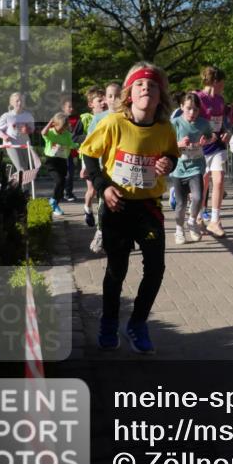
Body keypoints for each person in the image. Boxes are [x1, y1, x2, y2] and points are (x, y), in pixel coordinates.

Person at [79, 62, 179, 354]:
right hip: (117, 205)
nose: (145, 88)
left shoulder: (164, 128)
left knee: (156, 268)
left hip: (148, 207)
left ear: (160, 96)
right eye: (139, 85)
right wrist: (103, 186)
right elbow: (88, 153)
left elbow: (172, 153)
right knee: (117, 269)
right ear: (129, 95)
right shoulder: (113, 123)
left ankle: (137, 323)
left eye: (152, 85)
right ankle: (109, 322)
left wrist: (168, 163)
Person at [169, 93, 213, 245]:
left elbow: (211, 136)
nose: (192, 113)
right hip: (178, 169)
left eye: (195, 109)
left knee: (198, 197)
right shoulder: (175, 123)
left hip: (196, 167)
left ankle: (192, 221)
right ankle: (179, 229)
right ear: (181, 107)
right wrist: (179, 145)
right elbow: (165, 145)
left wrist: (206, 140)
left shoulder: (203, 123)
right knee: (181, 204)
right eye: (188, 108)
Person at [84, 81, 122, 255]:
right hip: (103, 169)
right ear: (106, 99)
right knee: (103, 203)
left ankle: (122, 235)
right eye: (110, 96)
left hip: (123, 169)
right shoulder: (100, 118)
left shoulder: (128, 116)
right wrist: (87, 166)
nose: (113, 100)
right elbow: (89, 145)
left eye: (117, 95)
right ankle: (100, 232)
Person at [195, 66, 231, 238]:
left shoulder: (220, 100)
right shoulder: (197, 98)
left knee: (219, 179)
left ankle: (215, 221)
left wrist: (225, 131)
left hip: (217, 146)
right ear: (215, 81)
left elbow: (222, 121)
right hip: (201, 147)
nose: (223, 86)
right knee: (203, 184)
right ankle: (198, 216)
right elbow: (189, 120)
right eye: (222, 83)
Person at [40, 112, 79, 217]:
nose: (62, 131)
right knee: (59, 180)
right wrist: (49, 123)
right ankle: (53, 200)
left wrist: (79, 146)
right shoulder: (51, 133)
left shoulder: (67, 135)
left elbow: (72, 145)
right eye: (60, 128)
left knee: (62, 185)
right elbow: (43, 133)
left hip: (62, 161)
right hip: (51, 161)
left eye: (64, 129)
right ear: (54, 125)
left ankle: (55, 204)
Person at [79, 85, 106, 228]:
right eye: (99, 100)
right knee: (92, 190)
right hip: (91, 161)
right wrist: (85, 166)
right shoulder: (88, 120)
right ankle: (87, 209)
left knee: (101, 193)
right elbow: (86, 146)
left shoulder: (109, 117)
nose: (104, 103)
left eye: (104, 100)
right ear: (91, 104)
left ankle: (101, 221)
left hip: (105, 162)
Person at [0, 92, 37, 177]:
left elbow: (32, 129)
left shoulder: (28, 116)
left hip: (25, 144)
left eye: (21, 101)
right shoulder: (7, 116)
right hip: (11, 145)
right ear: (11, 103)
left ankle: (14, 183)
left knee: (26, 169)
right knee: (22, 169)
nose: (19, 103)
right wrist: (4, 136)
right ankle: (20, 188)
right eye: (17, 101)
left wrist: (27, 130)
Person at [62, 98, 80, 202]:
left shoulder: (77, 119)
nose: (71, 109)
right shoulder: (59, 118)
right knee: (63, 173)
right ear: (63, 108)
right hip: (61, 151)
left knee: (71, 172)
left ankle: (68, 192)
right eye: (69, 107)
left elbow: (78, 133)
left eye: (72, 107)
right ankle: (61, 193)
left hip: (71, 151)